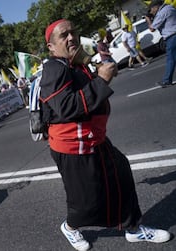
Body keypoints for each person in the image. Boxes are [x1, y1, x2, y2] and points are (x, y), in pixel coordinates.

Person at [40, 19, 171, 251]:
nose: (71, 38)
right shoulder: (54, 69)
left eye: (73, 32)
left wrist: (102, 73)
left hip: (94, 139)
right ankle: (70, 228)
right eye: (64, 36)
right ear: (51, 46)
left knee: (120, 175)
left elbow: (88, 92)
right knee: (85, 202)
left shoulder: (74, 64)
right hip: (73, 147)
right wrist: (102, 80)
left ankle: (133, 229)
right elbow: (67, 107)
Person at [146, 0, 176, 88]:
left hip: (171, 37)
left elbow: (152, 28)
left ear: (156, 7)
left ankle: (167, 80)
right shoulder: (170, 7)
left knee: (170, 59)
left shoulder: (162, 12)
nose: (152, 12)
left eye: (151, 10)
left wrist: (148, 19)